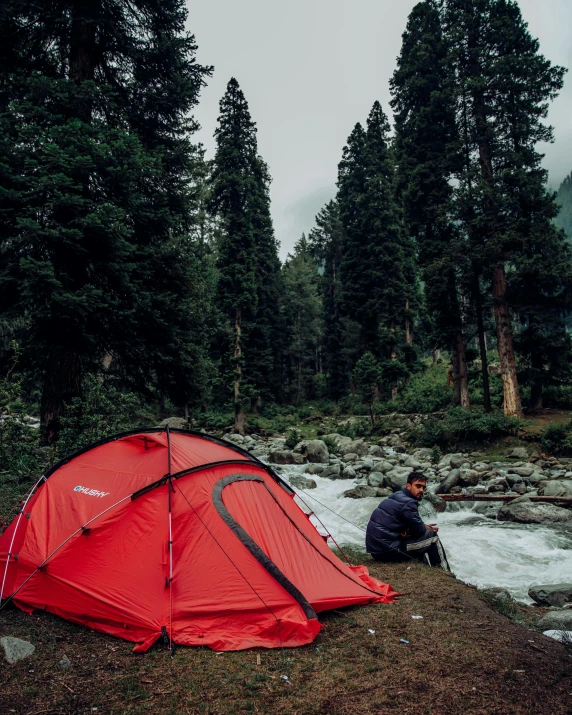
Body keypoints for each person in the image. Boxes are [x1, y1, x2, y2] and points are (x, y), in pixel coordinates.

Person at [366, 472, 450, 570]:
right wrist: (423, 527)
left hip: (377, 551)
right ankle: (445, 572)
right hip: (388, 551)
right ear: (408, 485)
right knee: (432, 537)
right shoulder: (409, 503)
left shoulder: (397, 495)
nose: (421, 490)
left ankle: (427, 568)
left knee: (418, 539)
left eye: (423, 487)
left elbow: (407, 526)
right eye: (418, 486)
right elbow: (419, 532)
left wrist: (421, 526)